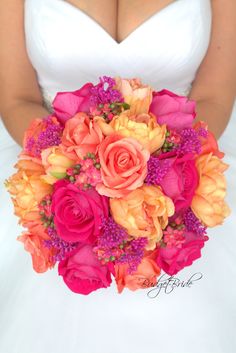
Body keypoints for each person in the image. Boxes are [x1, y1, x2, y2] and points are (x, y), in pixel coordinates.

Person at [0, 1, 235, 353]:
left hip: (180, 181)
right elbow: (16, 98)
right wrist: (80, 171)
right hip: (56, 178)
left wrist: (159, 173)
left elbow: (214, 96)